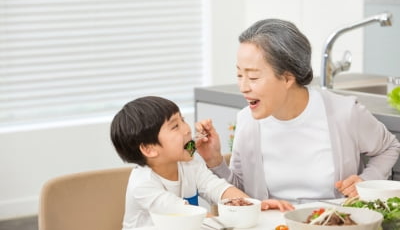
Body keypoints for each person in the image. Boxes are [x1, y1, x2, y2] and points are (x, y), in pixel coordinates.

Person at [195, 18, 400, 204]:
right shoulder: (248, 121)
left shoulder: (343, 113)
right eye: (240, 75)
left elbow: (389, 147)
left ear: (287, 78)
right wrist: (215, 161)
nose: (243, 87)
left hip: (334, 224)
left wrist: (365, 182)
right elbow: (242, 194)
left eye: (253, 77)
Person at [110, 96, 293, 229]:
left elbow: (217, 188)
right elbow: (190, 216)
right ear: (149, 149)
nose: (187, 129)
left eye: (182, 120)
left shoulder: (188, 162)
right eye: (175, 126)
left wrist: (250, 204)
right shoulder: (143, 184)